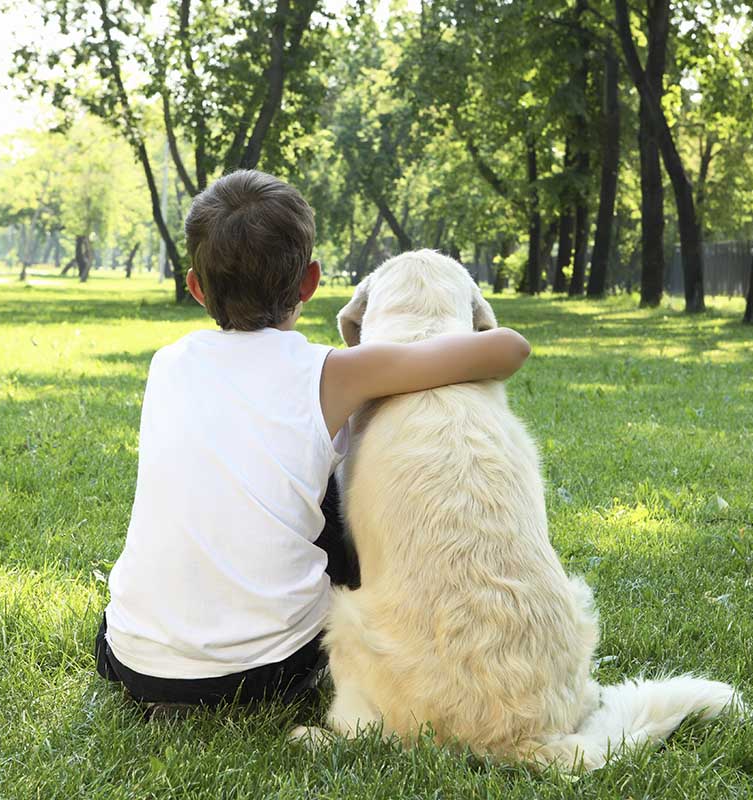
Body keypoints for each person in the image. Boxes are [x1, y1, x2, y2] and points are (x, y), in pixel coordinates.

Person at [94, 169, 531, 708]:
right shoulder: (332, 373)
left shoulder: (166, 363)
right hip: (269, 673)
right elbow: (509, 349)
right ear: (310, 282)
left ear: (196, 288)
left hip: (134, 664)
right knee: (331, 486)